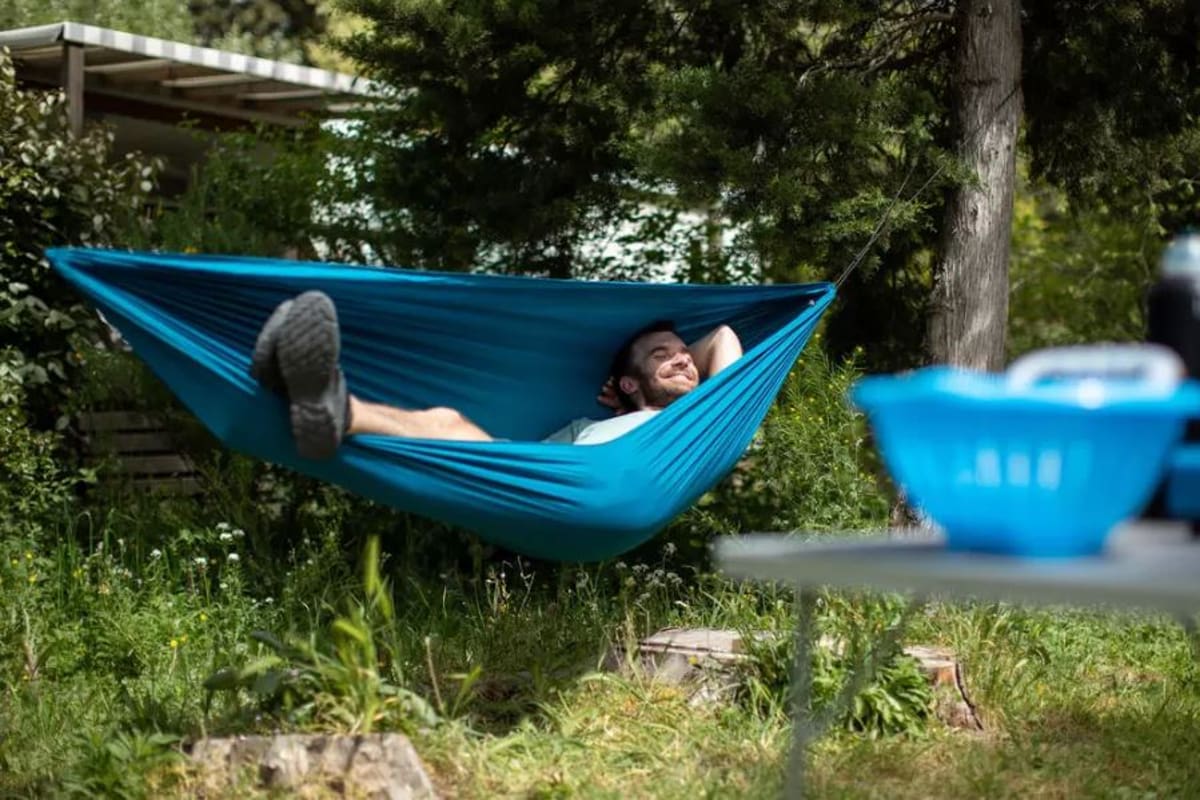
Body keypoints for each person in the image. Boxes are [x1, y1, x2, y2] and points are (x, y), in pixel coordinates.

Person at [251, 290, 743, 459]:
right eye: (663, 354)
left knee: (447, 422)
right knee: (446, 420)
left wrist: (673, 375)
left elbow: (721, 337)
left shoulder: (703, 421)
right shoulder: (590, 424)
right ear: (629, 384)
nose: (683, 358)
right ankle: (308, 397)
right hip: (552, 471)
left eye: (684, 353)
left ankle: (329, 403)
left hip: (597, 483)